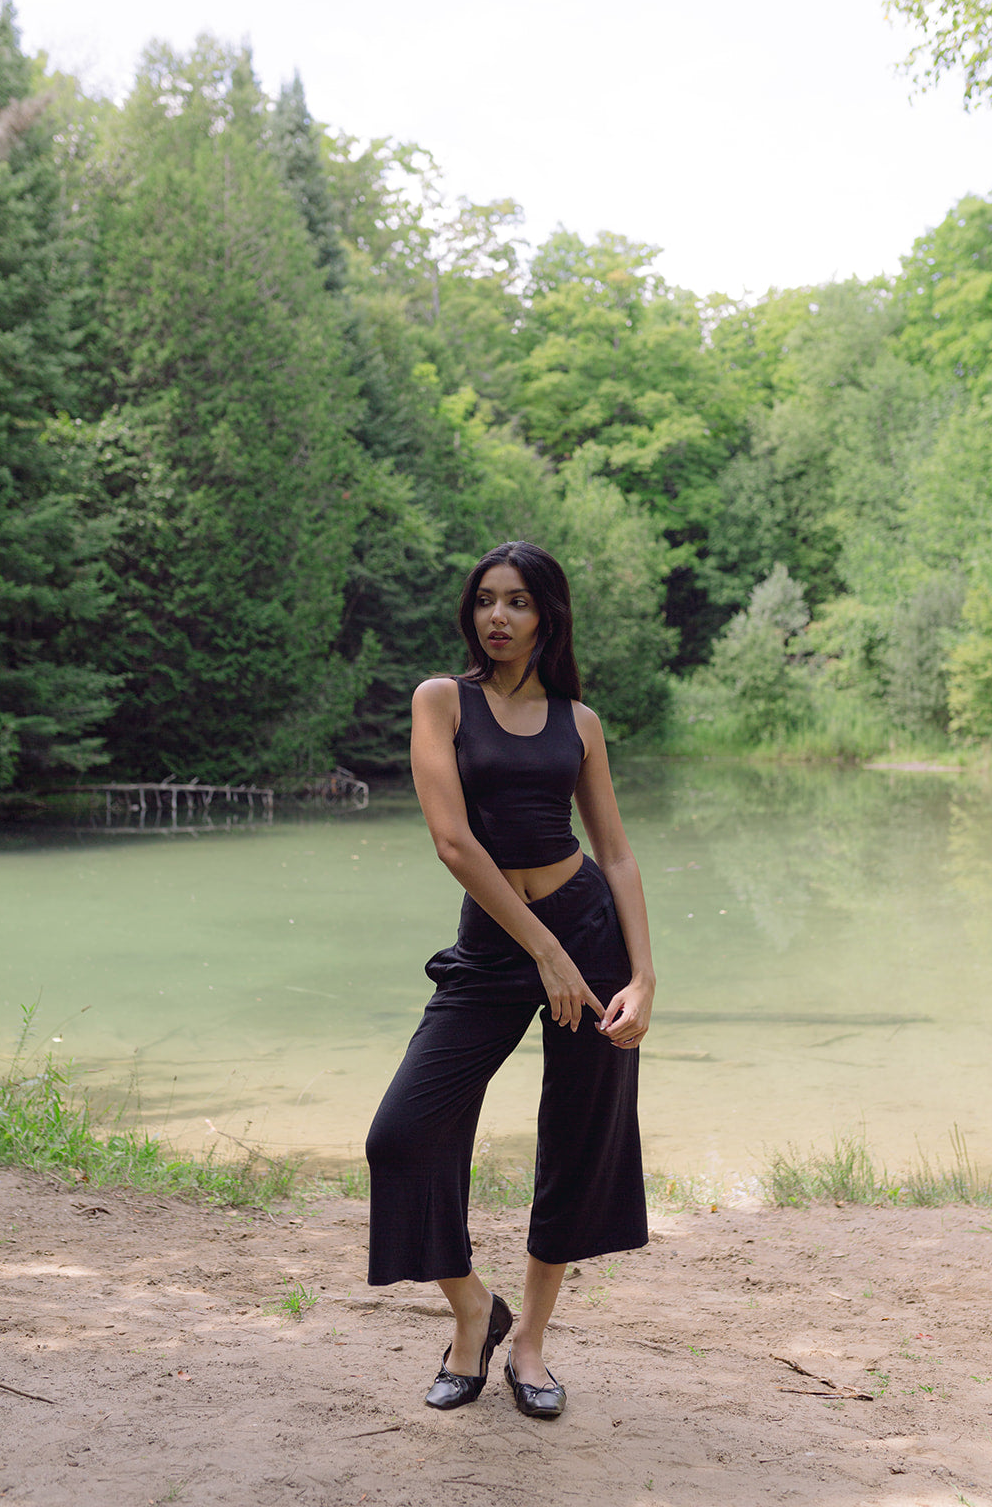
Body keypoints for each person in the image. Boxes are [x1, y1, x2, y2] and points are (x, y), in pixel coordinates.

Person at [365, 541, 655, 1420]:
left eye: (518, 601)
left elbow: (615, 852)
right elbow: (453, 843)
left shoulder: (580, 723)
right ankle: (472, 1311)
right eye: (486, 599)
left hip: (588, 931)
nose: (498, 615)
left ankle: (528, 1341)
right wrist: (542, 952)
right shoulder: (441, 702)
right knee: (402, 1134)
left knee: (578, 1136)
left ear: (545, 616)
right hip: (499, 942)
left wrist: (644, 976)